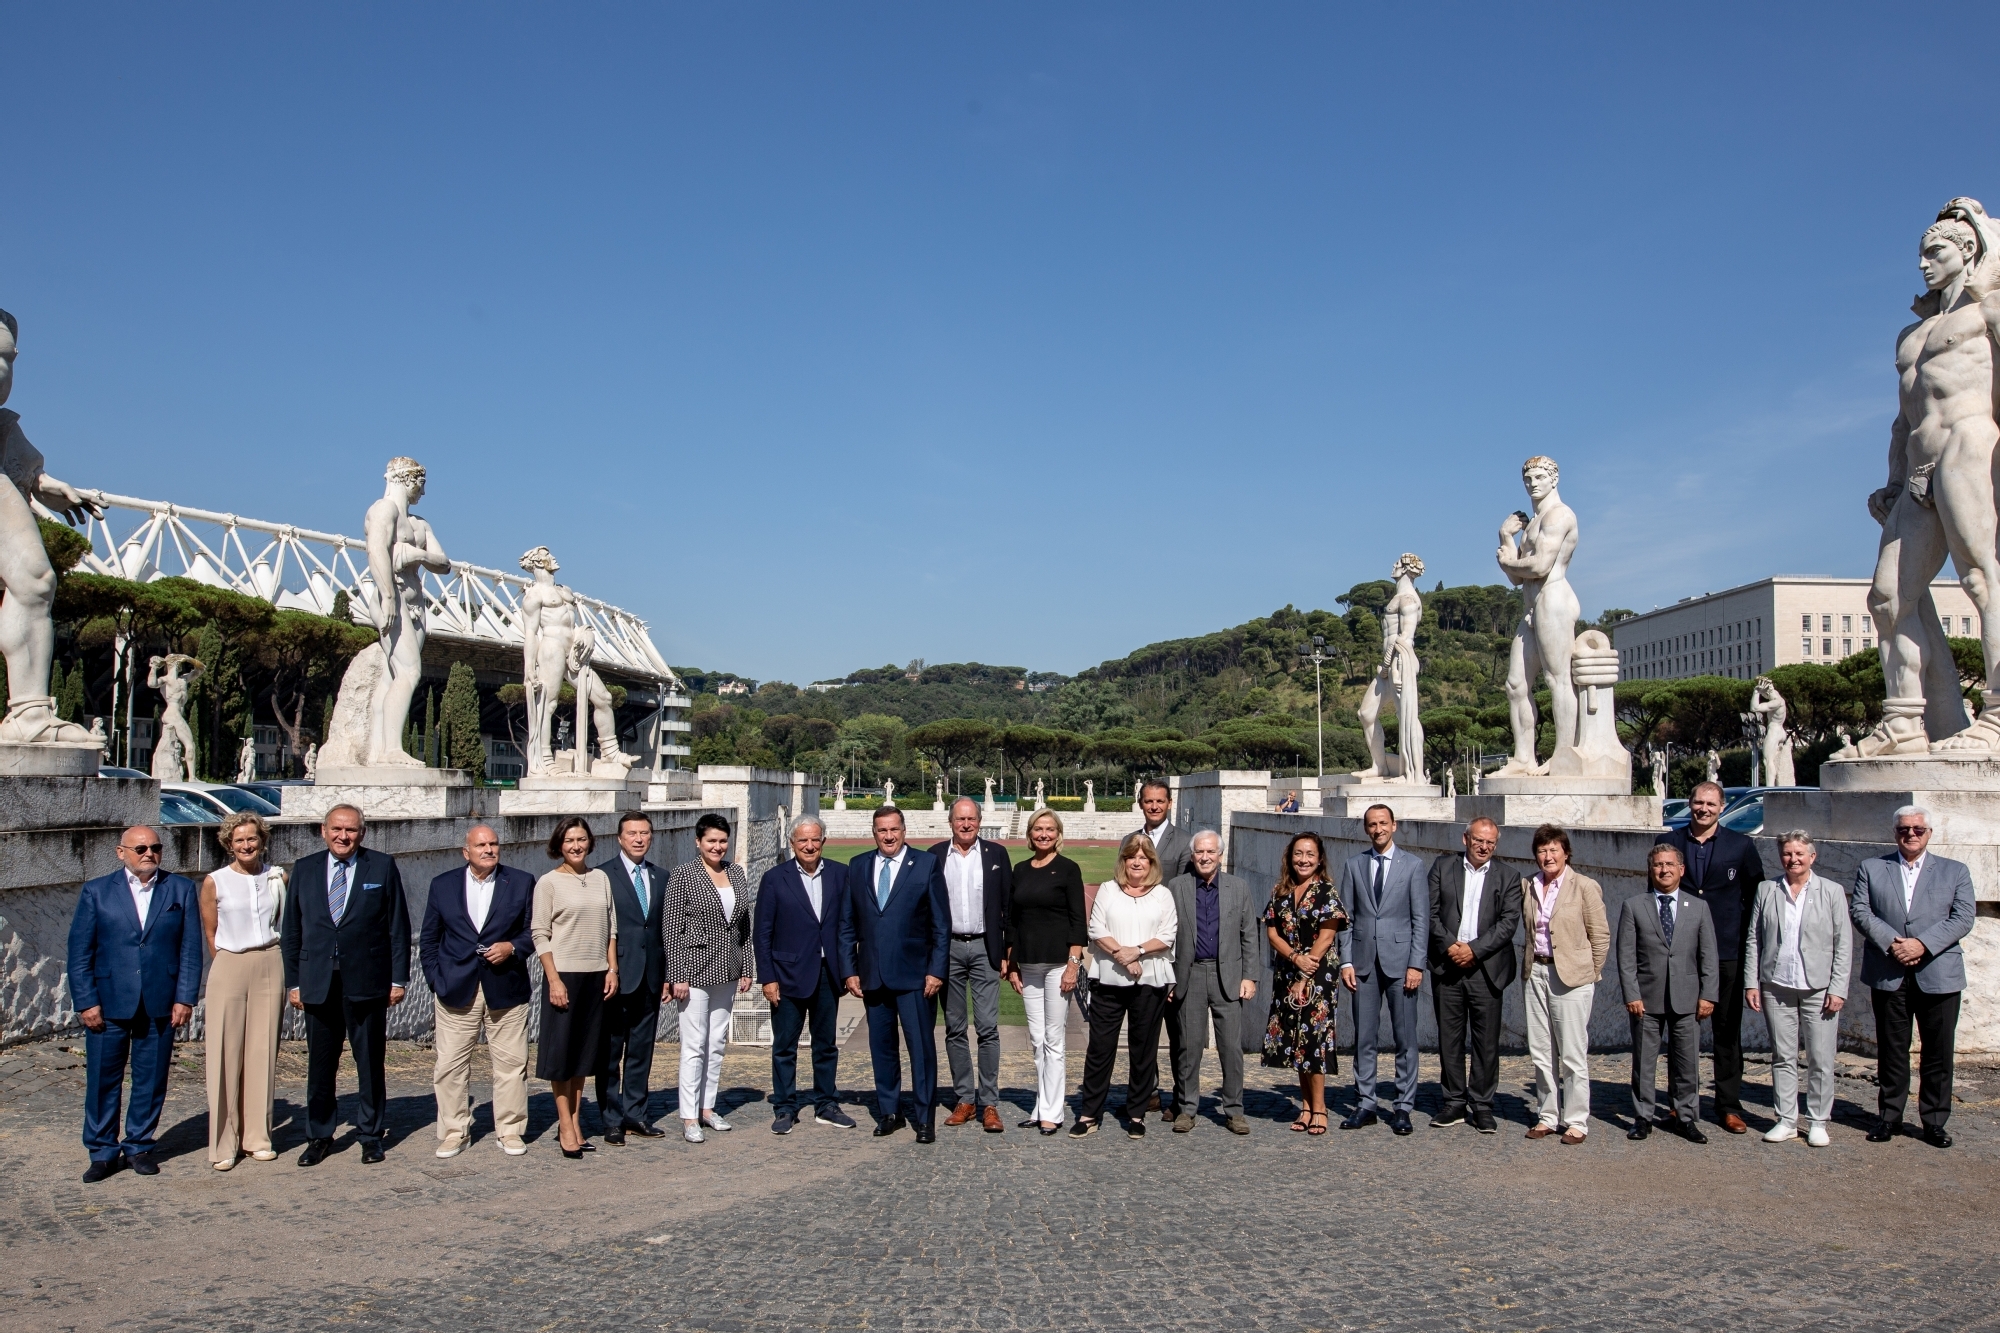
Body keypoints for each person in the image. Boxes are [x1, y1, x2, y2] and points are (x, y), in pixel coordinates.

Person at [68, 825, 201, 1182]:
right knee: (102, 1079)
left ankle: (139, 1146)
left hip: (160, 1002)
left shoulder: (180, 889)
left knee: (151, 1079)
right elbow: (80, 953)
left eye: (155, 847)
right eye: (140, 848)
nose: (149, 853)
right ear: (121, 852)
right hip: (108, 1003)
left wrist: (185, 997)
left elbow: (190, 950)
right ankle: (102, 1152)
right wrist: (86, 1001)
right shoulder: (97, 891)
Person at [282, 804, 410, 1167]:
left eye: (351, 830)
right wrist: (294, 982)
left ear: (362, 833)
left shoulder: (381, 866)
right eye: (336, 829)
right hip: (318, 982)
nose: (343, 836)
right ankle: (319, 1136)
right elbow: (291, 930)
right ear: (323, 831)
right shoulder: (305, 869)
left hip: (367, 981)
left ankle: (370, 1135)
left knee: (369, 1063)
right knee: (320, 1066)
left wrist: (397, 979)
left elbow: (397, 927)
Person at [1851, 805, 1977, 1148]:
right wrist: (1894, 944)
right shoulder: (1872, 868)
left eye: (1918, 829)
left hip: (1939, 973)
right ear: (1895, 833)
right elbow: (1860, 910)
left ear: (1929, 833)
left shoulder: (1955, 871)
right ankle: (1889, 1117)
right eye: (1904, 829)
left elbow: (1963, 917)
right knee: (1892, 1050)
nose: (1911, 834)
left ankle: (1934, 1121)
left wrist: (1922, 944)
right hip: (1888, 971)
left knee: (1938, 1051)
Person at [1654, 780, 1768, 1133]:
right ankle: (1679, 1102)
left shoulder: (1741, 845)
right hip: (1682, 953)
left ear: (1721, 808)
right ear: (1690, 804)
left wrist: (1749, 946)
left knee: (1727, 1032)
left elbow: (1755, 897)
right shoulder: (1670, 843)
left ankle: (1729, 1105)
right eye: (1698, 803)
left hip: (1726, 951)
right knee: (1681, 1030)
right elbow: (1656, 895)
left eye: (1711, 804)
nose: (1704, 809)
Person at [420, 824, 536, 1159]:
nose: (488, 849)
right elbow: (430, 939)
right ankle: (454, 1132)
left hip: (506, 987)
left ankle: (510, 1130)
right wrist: (436, 980)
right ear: (466, 852)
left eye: (493, 844)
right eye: (481, 845)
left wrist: (512, 947)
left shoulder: (521, 881)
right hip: (456, 988)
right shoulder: (442, 885)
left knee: (511, 1064)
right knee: (450, 1066)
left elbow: (534, 930)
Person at [840, 806, 948, 1142]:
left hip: (915, 976)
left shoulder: (926, 864)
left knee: (921, 1050)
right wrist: (849, 970)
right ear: (874, 833)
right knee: (882, 1048)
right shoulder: (858, 865)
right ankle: (890, 1111)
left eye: (894, 830)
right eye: (882, 830)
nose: (888, 836)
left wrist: (936, 971)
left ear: (904, 831)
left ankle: (924, 1117)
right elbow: (847, 924)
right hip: (873, 976)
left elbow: (940, 925)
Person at [1744, 831, 1851, 1147]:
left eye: (1799, 854)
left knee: (1821, 1057)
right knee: (1782, 1056)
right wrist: (1752, 982)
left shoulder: (1831, 891)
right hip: (1777, 985)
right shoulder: (1767, 890)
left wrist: (1838, 988)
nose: (1793, 859)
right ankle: (1786, 1120)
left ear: (1812, 857)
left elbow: (1843, 944)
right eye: (1787, 853)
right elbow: (1754, 939)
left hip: (1819, 987)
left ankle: (1817, 1121)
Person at [1072, 833, 1179, 1139]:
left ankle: (1136, 1113)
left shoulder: (1163, 895)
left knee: (1143, 1049)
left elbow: (1167, 935)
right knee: (1100, 1048)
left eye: (1143, 857)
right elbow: (1096, 928)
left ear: (1152, 862)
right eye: (1131, 856)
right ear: (1123, 860)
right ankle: (1089, 1113)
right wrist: (1123, 955)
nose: (1137, 862)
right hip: (1109, 979)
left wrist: (1138, 952)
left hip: (1150, 980)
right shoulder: (1108, 889)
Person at [754, 817, 857, 1134]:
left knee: (826, 1045)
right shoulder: (775, 879)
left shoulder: (840, 874)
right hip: (787, 975)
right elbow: (762, 933)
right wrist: (768, 977)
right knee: (785, 1046)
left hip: (828, 973)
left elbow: (848, 926)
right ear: (792, 843)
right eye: (802, 840)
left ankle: (826, 1103)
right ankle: (785, 1107)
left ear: (823, 841)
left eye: (815, 840)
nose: (809, 846)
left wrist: (849, 969)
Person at [199, 812, 287, 1171]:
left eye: (252, 838)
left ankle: (257, 1138)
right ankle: (224, 1143)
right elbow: (210, 932)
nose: (246, 845)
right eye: (239, 840)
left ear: (262, 841)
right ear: (229, 844)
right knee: (225, 1052)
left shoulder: (277, 877)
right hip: (230, 964)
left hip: (270, 961)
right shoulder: (215, 881)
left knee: (262, 1052)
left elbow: (283, 922)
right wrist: (228, 963)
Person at [1426, 817, 1524, 1133]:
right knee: (1450, 1038)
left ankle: (1482, 1105)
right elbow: (1429, 912)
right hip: (1447, 965)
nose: (1484, 847)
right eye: (1479, 840)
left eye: (1490, 843)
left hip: (1487, 968)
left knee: (1486, 1041)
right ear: (1465, 839)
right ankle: (1454, 1101)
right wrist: (1450, 946)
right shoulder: (1442, 867)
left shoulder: (1509, 876)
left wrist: (1474, 950)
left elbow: (1508, 923)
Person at [1338, 804, 1429, 1135]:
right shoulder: (1354, 865)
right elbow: (1345, 919)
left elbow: (1421, 920)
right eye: (1372, 824)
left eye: (1383, 823)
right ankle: (1366, 1103)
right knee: (1364, 1037)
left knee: (1405, 1038)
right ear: (1366, 829)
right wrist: (1346, 960)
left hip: (1401, 963)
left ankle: (1403, 1106)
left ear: (1394, 825)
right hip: (1363, 964)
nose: (1378, 829)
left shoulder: (1413, 866)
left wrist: (1416, 963)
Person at [1618, 845, 1719, 1144]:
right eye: (1658, 865)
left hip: (1687, 998)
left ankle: (1685, 1118)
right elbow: (1626, 957)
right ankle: (1643, 1117)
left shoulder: (1698, 907)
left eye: (1670, 864)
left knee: (1687, 1063)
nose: (1664, 870)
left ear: (1681, 869)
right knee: (1644, 1062)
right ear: (1651, 870)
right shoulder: (1634, 906)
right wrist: (1631, 994)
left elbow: (1708, 955)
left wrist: (1708, 995)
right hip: (1646, 998)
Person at [665, 811, 754, 1143]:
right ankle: (689, 1115)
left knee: (716, 1042)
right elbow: (672, 929)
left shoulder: (736, 872)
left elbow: (744, 926)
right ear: (698, 842)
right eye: (711, 841)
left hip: (728, 968)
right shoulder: (684, 874)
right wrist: (677, 975)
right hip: (694, 970)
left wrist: (747, 968)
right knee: (694, 1044)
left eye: (722, 841)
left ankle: (707, 1107)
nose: (717, 846)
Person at [532, 816, 618, 1159]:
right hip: (564, 976)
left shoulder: (601, 879)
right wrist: (553, 979)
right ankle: (565, 1125)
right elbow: (540, 934)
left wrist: (612, 969)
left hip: (596, 976)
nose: (576, 846)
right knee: (562, 1056)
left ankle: (576, 1121)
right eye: (569, 840)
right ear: (559, 844)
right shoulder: (548, 883)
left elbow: (610, 927)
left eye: (581, 839)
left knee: (584, 1056)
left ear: (590, 842)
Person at [1166, 829, 1260, 1135]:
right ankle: (1186, 1108)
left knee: (1230, 1048)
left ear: (1220, 855)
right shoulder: (1177, 886)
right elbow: (1167, 935)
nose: (1204, 857)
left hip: (1228, 977)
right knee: (1189, 1047)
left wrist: (1250, 976)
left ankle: (1234, 1110)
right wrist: (1168, 978)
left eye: (1210, 852)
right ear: (1192, 855)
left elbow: (1249, 934)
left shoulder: (1238, 887)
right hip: (1189, 974)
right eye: (1199, 852)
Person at [928, 797, 1012, 1132]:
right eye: (960, 819)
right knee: (955, 1027)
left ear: (979, 821)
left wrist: (1007, 951)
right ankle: (964, 1099)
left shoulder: (996, 855)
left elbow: (1007, 906)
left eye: (971, 819)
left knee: (988, 1027)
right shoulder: (935, 856)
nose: (966, 825)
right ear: (950, 822)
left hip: (984, 947)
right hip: (947, 948)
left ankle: (989, 1103)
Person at [1520, 825, 1608, 1143]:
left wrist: (1589, 973)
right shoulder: (1528, 885)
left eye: (1554, 850)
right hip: (1536, 972)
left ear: (1566, 853)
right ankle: (1547, 1115)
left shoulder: (1584, 886)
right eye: (1542, 850)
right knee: (1541, 1050)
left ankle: (1576, 1120)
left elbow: (1600, 935)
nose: (1548, 856)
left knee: (1571, 1052)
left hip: (1571, 976)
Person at [1005, 809, 1087, 1135]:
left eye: (1049, 829)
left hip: (1057, 965)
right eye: (1038, 828)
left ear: (1058, 833)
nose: (1043, 834)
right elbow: (1012, 920)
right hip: (1028, 963)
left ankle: (1053, 1112)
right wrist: (1012, 963)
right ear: (1030, 834)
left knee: (1054, 1039)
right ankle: (1041, 1106)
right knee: (1037, 1040)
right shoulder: (1021, 869)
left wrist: (1073, 966)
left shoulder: (1068, 869)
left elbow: (1078, 921)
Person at [1261, 831, 1346, 1134]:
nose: (1304, 859)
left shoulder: (1326, 892)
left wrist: (1305, 972)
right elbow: (1272, 932)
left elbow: (1327, 936)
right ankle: (1306, 1106)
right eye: (1298, 853)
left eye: (1310, 854)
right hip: (1288, 970)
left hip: (1318, 973)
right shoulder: (1281, 891)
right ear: (1290, 857)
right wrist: (1294, 959)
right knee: (1295, 1039)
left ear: (1319, 859)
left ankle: (1320, 1108)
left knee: (1314, 1041)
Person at [596, 811, 668, 1143]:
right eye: (632, 833)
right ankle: (611, 1118)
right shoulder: (602, 875)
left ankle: (636, 1114)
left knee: (641, 1050)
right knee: (610, 1052)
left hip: (651, 977)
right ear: (620, 838)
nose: (639, 839)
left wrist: (667, 975)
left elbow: (664, 930)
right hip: (617, 976)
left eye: (644, 833)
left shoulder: (661, 876)